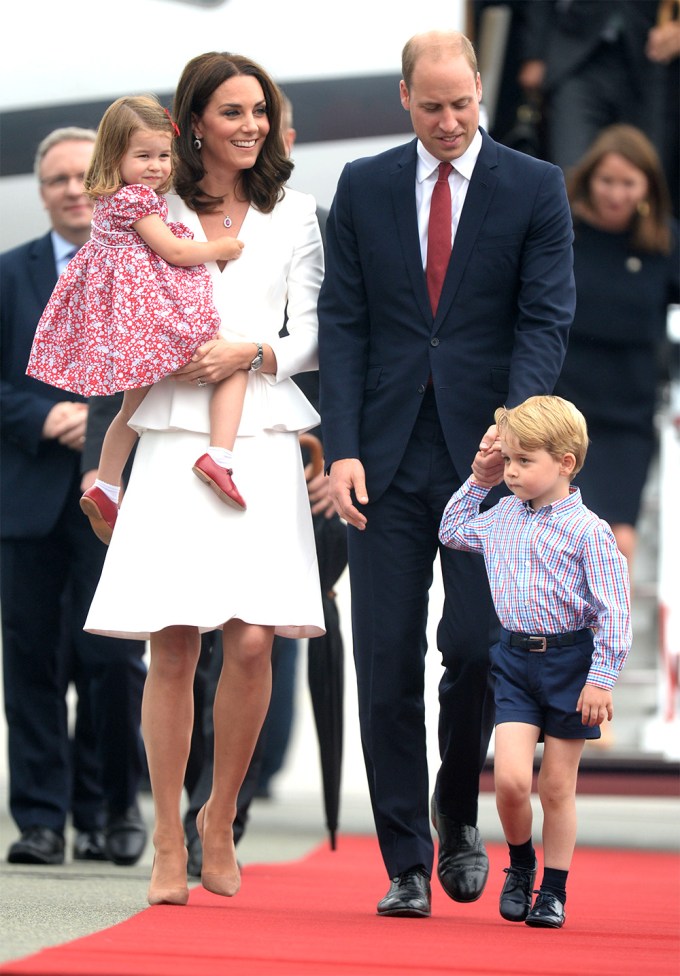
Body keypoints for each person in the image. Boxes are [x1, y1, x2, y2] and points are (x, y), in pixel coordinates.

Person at [318, 29, 575, 918]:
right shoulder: (364, 185)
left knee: (470, 649)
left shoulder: (535, 187)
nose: (449, 121)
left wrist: (511, 435)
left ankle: (456, 816)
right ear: (403, 98)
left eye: (462, 103)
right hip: (384, 457)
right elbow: (344, 324)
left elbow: (545, 319)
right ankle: (405, 860)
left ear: (479, 93)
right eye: (432, 106)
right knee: (386, 656)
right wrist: (341, 445)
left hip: (491, 464)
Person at [83, 51, 325, 907]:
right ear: (193, 122)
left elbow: (314, 333)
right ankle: (166, 842)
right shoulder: (152, 205)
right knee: (174, 645)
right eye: (232, 112)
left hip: (255, 430)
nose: (251, 125)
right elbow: (115, 307)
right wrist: (164, 357)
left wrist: (251, 352)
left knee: (254, 640)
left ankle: (219, 815)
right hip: (176, 428)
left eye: (258, 110)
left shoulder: (295, 213)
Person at [0, 127, 148, 867]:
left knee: (114, 663)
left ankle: (113, 811)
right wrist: (39, 415)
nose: (70, 189)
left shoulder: (148, 268)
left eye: (82, 176)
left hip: (115, 494)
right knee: (29, 662)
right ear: (41, 190)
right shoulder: (8, 274)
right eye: (55, 178)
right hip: (27, 497)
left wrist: (97, 424)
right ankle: (39, 819)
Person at [439, 395, 631, 928]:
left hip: (571, 664)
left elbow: (614, 609)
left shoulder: (589, 531)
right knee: (510, 782)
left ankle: (554, 889)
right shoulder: (500, 514)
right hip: (515, 660)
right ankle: (521, 864)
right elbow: (452, 531)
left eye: (524, 461)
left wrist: (601, 679)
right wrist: (480, 478)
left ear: (565, 463)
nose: (513, 472)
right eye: (509, 461)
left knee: (555, 788)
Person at [27, 95, 248, 543]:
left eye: (164, 155)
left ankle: (107, 485)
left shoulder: (109, 200)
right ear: (115, 157)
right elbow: (176, 252)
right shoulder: (135, 200)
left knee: (131, 409)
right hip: (149, 320)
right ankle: (219, 458)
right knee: (233, 362)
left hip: (127, 325)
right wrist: (220, 249)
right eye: (143, 155)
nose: (156, 166)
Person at [553, 125, 679, 573]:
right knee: (564, 542)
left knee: (617, 542)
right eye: (607, 180)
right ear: (589, 178)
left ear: (647, 186)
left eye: (628, 183)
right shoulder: (562, 232)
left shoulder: (663, 242)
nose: (616, 194)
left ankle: (606, 643)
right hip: (565, 414)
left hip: (628, 417)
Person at [516, 1, 675, 183]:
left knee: (646, 173)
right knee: (570, 168)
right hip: (576, 57)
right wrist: (534, 53)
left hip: (652, 60)